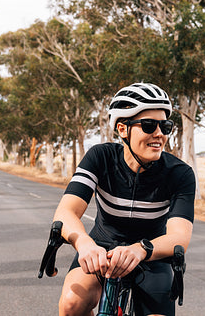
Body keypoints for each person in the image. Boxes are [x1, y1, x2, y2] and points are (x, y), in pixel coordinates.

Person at [52, 82, 195, 316]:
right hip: (101, 247)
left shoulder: (180, 173)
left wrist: (140, 250)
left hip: (150, 252)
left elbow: (179, 237)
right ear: (122, 129)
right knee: (71, 304)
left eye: (165, 126)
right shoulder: (100, 157)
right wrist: (85, 244)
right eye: (149, 125)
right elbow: (65, 212)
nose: (159, 134)